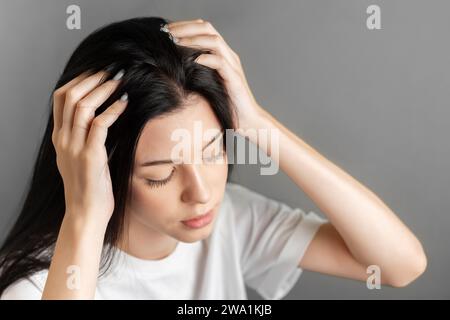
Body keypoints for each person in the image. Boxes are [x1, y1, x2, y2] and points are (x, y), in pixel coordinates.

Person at [0, 17, 426, 299]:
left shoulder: (231, 221)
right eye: (161, 175)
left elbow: (400, 265)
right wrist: (85, 215)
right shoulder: (39, 284)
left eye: (213, 152)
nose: (202, 194)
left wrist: (257, 123)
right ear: (103, 171)